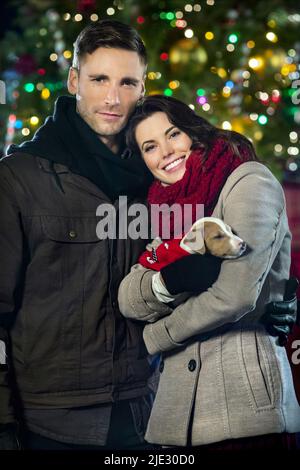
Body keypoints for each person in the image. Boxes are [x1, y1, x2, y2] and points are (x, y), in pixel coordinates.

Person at [0, 21, 296, 451]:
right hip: (52, 422)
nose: (112, 98)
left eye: (127, 82)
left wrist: (269, 302)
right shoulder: (20, 178)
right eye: (99, 79)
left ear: (142, 88)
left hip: (155, 414)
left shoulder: (160, 175)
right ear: (74, 80)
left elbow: (220, 262)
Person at [118, 95, 300, 449]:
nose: (166, 152)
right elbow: (129, 297)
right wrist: (165, 283)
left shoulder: (248, 180)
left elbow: (234, 296)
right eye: (150, 146)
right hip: (173, 418)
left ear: (193, 131)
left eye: (173, 135)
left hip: (246, 416)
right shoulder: (167, 205)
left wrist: (154, 336)